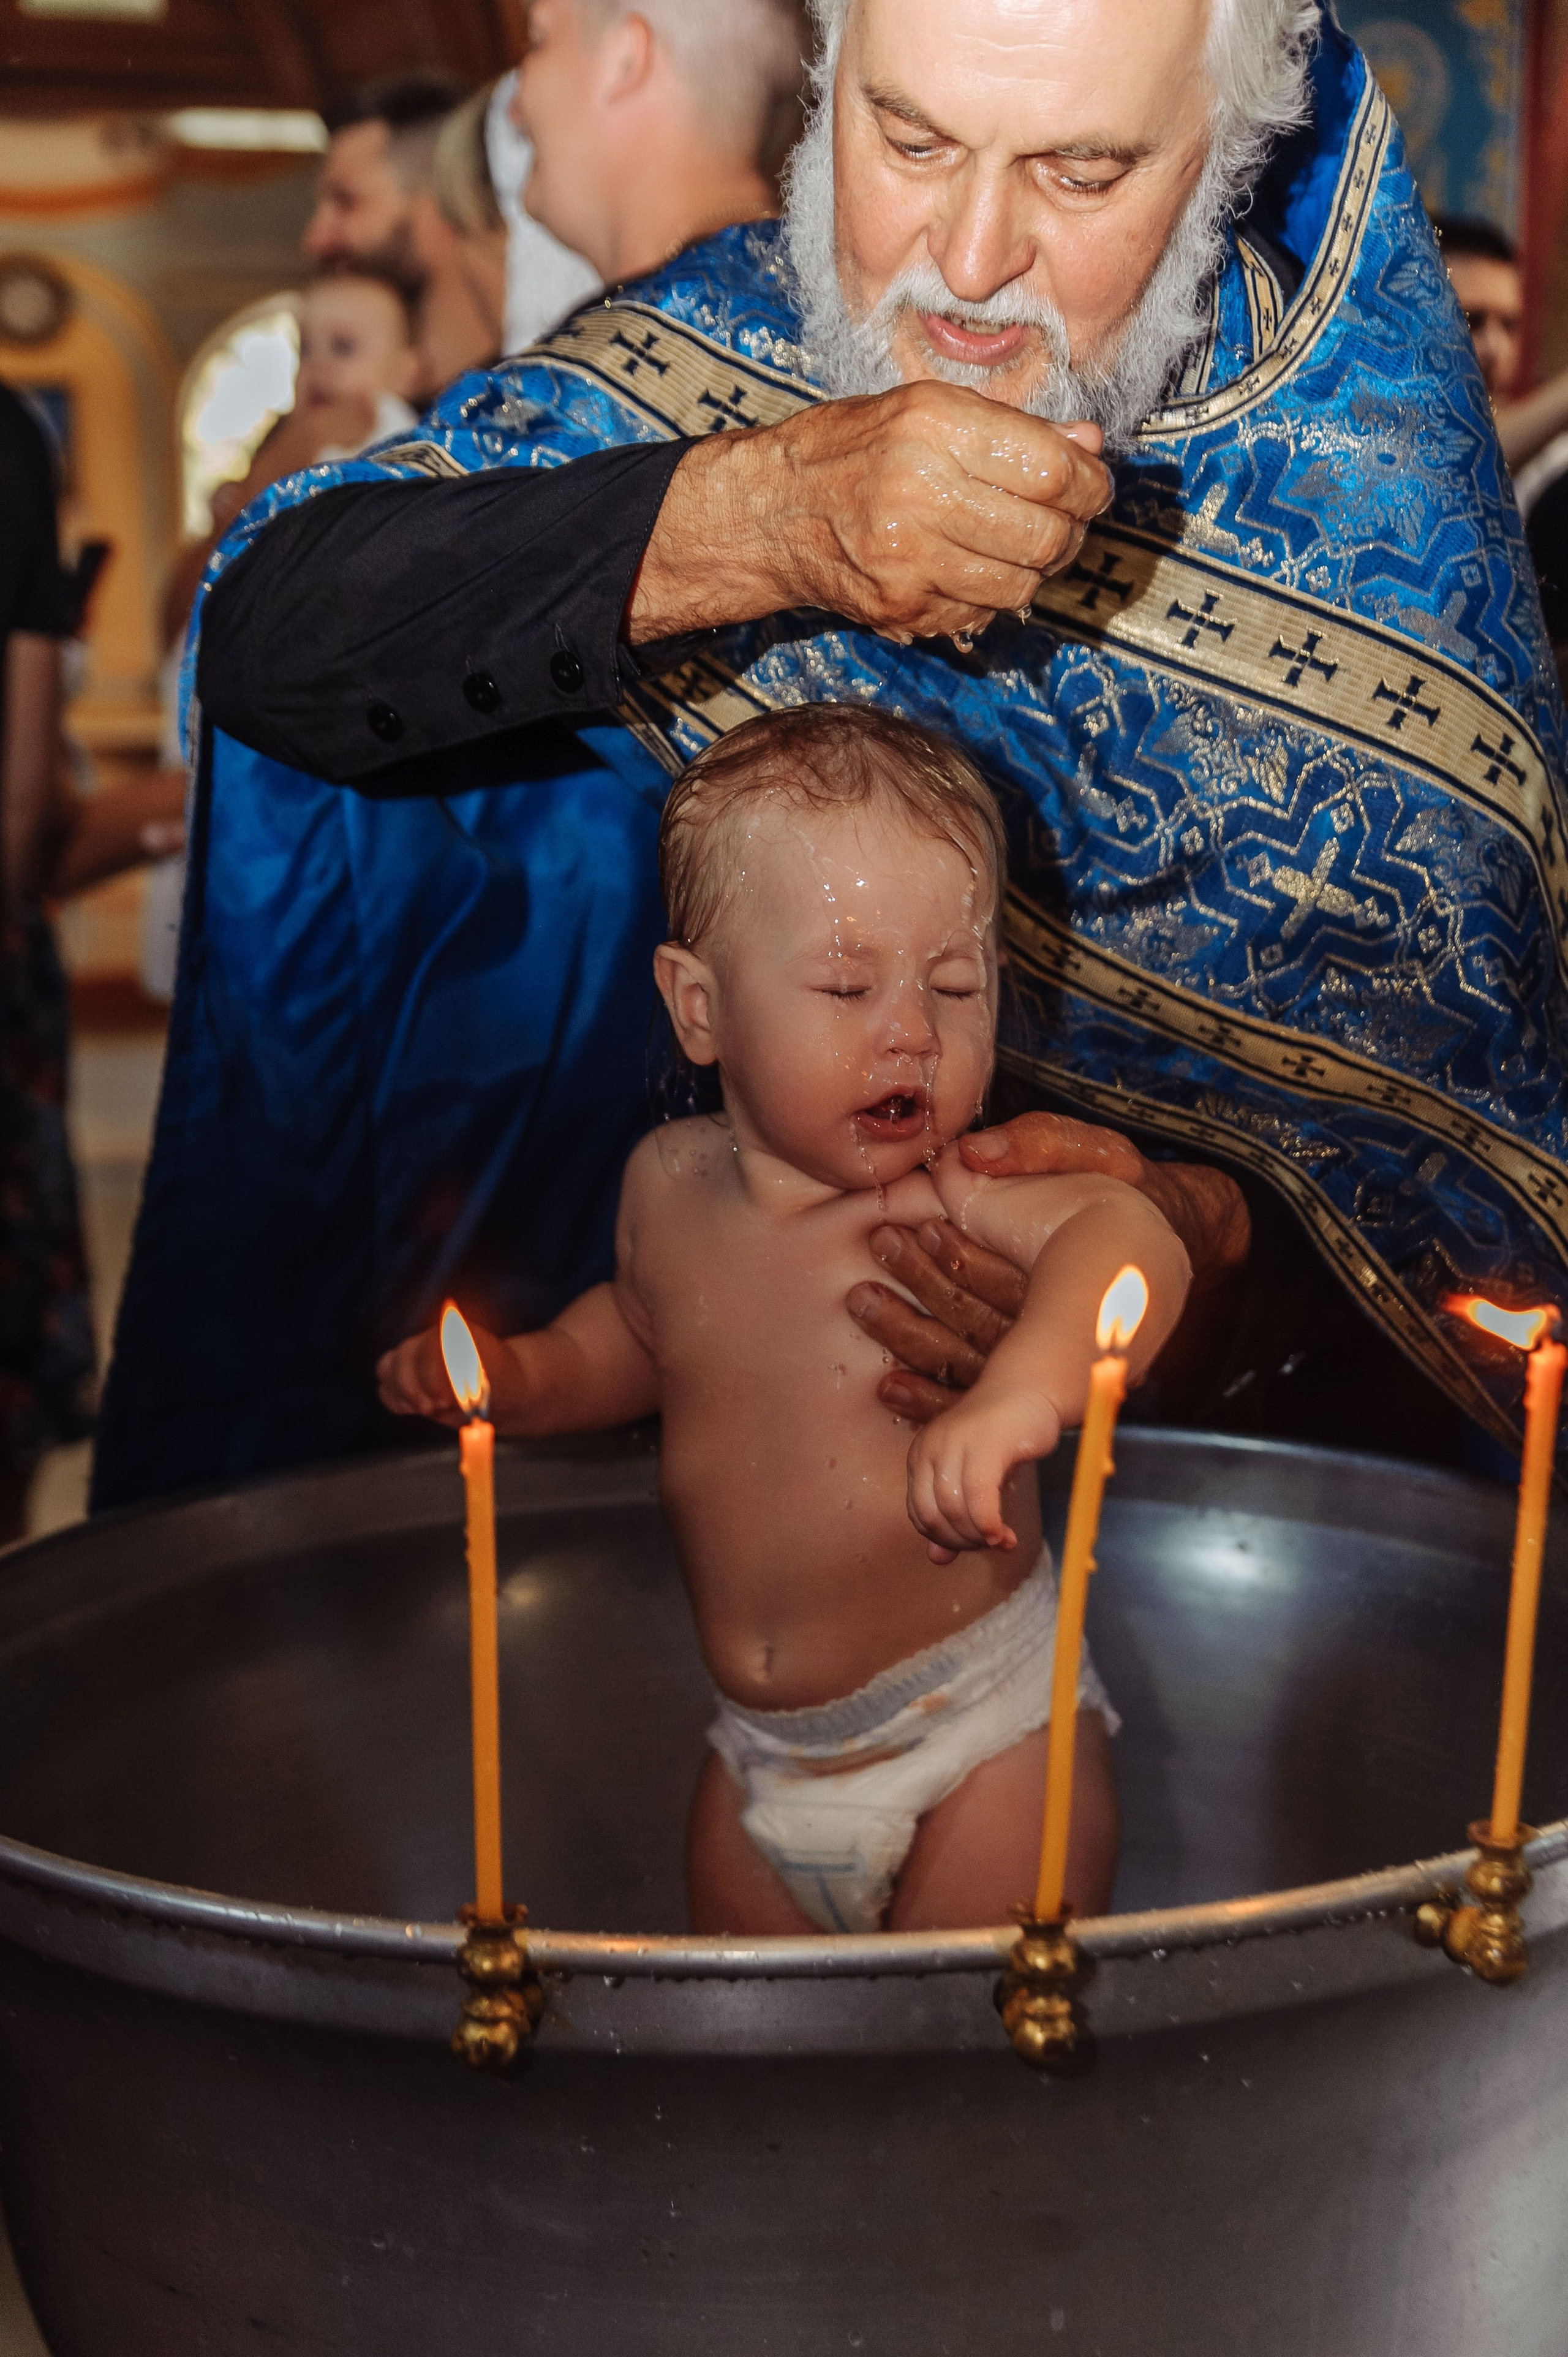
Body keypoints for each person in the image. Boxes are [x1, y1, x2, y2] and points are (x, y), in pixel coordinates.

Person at [96, 0, 1568, 1512]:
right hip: (745, 1495)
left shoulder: (1376, 521)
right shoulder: (709, 355)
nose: (971, 259)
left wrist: (1209, 1238)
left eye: (1081, 173)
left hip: (1241, 1517)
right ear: (829, 79)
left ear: (1227, 156)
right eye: (908, 139)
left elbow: (1464, 1186)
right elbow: (280, 628)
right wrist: (758, 520)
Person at [380, 705, 1189, 1931]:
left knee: (960, 2056)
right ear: (697, 1007)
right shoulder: (664, 1182)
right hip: (762, 1754)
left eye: (956, 985)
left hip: (980, 1728)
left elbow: (1131, 1243)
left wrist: (1025, 1390)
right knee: (760, 2078)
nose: (910, 1028)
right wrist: (526, 1375)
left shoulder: (954, 1192)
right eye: (845, 983)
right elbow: (643, 1336)